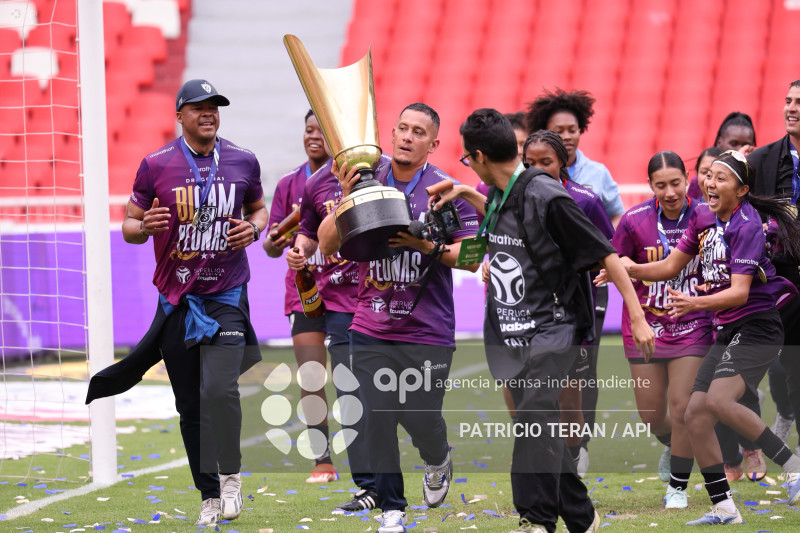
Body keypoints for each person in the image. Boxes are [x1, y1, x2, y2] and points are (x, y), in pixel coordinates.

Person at [442, 108, 653, 533]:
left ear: (479, 155)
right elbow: (506, 222)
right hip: (511, 330)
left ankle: (535, 520)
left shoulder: (547, 195)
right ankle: (580, 514)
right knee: (534, 423)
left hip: (553, 327)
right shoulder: (502, 192)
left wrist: (637, 313)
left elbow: (605, 253)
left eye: (467, 159)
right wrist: (466, 193)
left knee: (536, 416)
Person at [85, 79, 267, 526]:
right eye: (199, 107)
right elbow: (128, 223)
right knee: (189, 404)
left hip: (226, 295)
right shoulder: (155, 165)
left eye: (215, 107)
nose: (208, 113)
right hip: (177, 300)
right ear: (180, 115)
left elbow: (259, 207)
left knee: (219, 389)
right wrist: (142, 226)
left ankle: (230, 477)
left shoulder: (243, 159)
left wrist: (255, 227)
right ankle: (208, 495)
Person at [317, 102, 480, 533]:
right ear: (391, 135)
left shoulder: (445, 189)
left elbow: (473, 256)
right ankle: (393, 506)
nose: (408, 137)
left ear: (433, 143)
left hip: (427, 330)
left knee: (422, 417)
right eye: (402, 129)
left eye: (419, 132)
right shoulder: (366, 177)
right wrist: (344, 199)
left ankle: (437, 454)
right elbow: (326, 242)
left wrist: (426, 246)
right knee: (377, 412)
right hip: (369, 323)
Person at [620, 150, 800, 525]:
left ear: (743, 189)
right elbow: (671, 266)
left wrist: (695, 303)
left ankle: (794, 469)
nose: (710, 183)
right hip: (730, 328)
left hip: (758, 326)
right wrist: (629, 267)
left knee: (717, 401)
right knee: (694, 413)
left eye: (721, 178)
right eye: (709, 176)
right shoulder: (703, 215)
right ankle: (724, 508)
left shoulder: (747, 225)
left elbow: (738, 293)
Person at [600, 151, 713, 507]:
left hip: (692, 324)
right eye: (660, 185)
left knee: (681, 407)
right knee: (652, 415)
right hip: (645, 326)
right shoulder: (634, 221)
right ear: (650, 185)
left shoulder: (705, 215)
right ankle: (673, 444)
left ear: (686, 179)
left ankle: (677, 487)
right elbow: (616, 264)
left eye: (676, 183)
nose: (669, 192)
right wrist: (619, 268)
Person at [521, 130, 613, 478]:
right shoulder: (515, 199)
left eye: (546, 162)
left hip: (574, 313)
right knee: (532, 397)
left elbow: (608, 253)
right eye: (530, 163)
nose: (538, 170)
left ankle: (573, 460)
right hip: (529, 313)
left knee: (569, 398)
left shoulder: (584, 200)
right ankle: (544, 465)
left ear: (563, 161)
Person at [285, 153, 375, 511]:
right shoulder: (311, 183)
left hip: (381, 293)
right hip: (332, 297)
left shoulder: (380, 171)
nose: (316, 137)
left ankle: (429, 447)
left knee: (392, 386)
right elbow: (305, 234)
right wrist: (299, 249)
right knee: (342, 387)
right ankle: (359, 479)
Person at [263, 109, 338, 483]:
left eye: (321, 132)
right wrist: (277, 244)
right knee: (311, 375)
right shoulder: (288, 184)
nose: (313, 137)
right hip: (303, 291)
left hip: (345, 288)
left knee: (352, 374)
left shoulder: (347, 180)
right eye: (308, 130)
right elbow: (271, 248)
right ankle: (322, 459)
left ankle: (371, 453)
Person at [749, 79, 800, 456]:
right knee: (785, 369)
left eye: (799, 102)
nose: (791, 108)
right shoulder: (760, 162)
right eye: (787, 101)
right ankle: (749, 449)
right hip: (779, 283)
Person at [524, 87, 624, 227]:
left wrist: (603, 242)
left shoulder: (598, 172)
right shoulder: (529, 172)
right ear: (545, 133)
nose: (567, 137)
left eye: (572, 130)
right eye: (559, 131)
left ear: (580, 129)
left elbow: (617, 214)